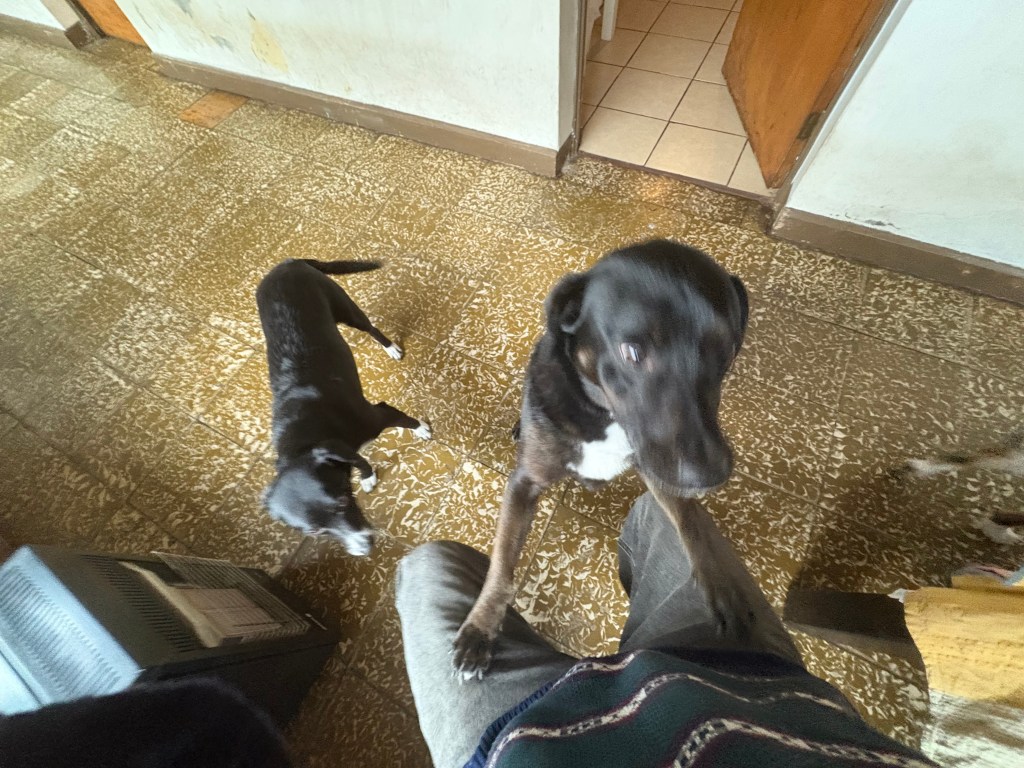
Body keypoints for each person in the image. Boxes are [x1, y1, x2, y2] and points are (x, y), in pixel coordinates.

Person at [396, 490, 937, 768]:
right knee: (658, 511)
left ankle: (637, 625)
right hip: (743, 686)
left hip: (516, 742)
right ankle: (643, 613)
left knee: (428, 568)